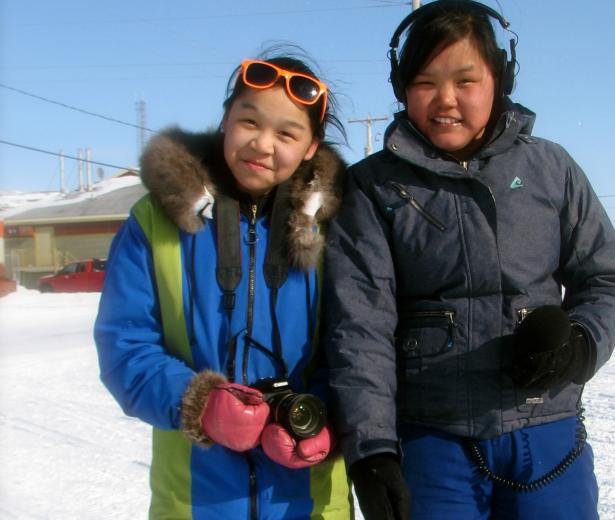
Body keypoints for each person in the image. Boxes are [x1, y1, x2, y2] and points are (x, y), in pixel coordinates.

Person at [324, 1, 615, 519]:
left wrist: (581, 343)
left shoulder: (552, 169)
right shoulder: (372, 188)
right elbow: (360, 326)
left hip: (547, 432)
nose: (445, 100)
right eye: (424, 81)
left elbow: (605, 278)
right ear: (400, 86)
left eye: (466, 80)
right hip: (434, 442)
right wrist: (372, 451)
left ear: (499, 80)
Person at [94, 51, 353, 519]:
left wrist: (324, 415)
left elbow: (361, 344)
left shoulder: (342, 227)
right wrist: (199, 405)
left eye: (287, 133)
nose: (262, 144)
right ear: (225, 120)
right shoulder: (154, 222)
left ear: (312, 147)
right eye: (249, 121)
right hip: (193, 503)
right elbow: (124, 345)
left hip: (310, 502)